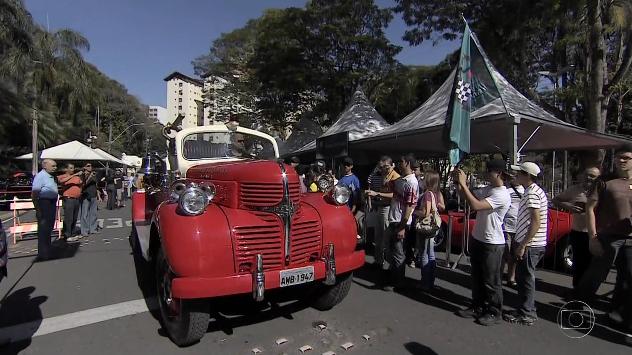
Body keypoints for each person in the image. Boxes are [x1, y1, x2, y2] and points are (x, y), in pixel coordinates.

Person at [578, 145, 632, 338]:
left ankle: (616, 315)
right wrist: (592, 238)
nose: (622, 161)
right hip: (607, 236)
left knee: (627, 280)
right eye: (619, 157)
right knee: (596, 275)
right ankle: (578, 308)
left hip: (629, 239)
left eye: (626, 157)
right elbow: (590, 209)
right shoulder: (605, 181)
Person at [454, 159, 511, 326]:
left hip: (493, 243)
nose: (487, 173)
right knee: (477, 276)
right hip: (478, 237)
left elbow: (477, 205)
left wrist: (464, 184)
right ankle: (477, 306)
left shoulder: (501, 193)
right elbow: (467, 197)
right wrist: (458, 183)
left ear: (499, 173)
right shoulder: (488, 189)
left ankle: (494, 311)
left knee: (491, 280)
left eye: (490, 171)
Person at [503, 162, 548, 326]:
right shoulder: (532, 191)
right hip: (531, 243)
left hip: (531, 245)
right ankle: (525, 310)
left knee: (526, 279)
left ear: (528, 175)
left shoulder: (532, 194)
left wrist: (523, 245)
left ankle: (527, 313)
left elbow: (536, 222)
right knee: (523, 278)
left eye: (520, 173)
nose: (516, 175)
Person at [368, 154, 418, 291]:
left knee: (398, 254)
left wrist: (402, 226)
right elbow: (393, 193)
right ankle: (392, 276)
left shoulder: (411, 182)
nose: (399, 164)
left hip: (400, 222)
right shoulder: (402, 179)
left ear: (407, 163)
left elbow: (410, 206)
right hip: (393, 219)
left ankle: (398, 282)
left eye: (401, 162)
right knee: (391, 250)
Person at [552, 166, 601, 289]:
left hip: (596, 234)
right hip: (578, 232)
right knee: (578, 263)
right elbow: (556, 200)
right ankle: (577, 290)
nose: (589, 178)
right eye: (587, 175)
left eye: (593, 176)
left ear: (599, 179)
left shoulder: (603, 191)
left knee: (594, 265)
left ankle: (589, 292)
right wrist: (569, 206)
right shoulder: (574, 190)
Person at [365, 156, 400, 270]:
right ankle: (379, 261)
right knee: (378, 237)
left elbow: (394, 195)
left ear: (389, 165)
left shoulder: (394, 177)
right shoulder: (384, 175)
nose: (381, 169)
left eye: (384, 167)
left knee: (387, 238)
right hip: (380, 207)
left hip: (388, 209)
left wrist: (377, 194)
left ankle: (390, 265)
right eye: (380, 167)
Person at [414, 170, 445, 290]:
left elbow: (425, 212)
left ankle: (425, 282)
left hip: (426, 226)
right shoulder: (435, 194)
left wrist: (414, 212)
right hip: (433, 226)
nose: (421, 180)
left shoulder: (427, 194)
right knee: (431, 254)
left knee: (425, 254)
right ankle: (430, 281)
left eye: (423, 178)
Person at [31, 159, 59, 261]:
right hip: (44, 203)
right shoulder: (40, 176)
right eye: (53, 166)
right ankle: (43, 253)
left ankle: (48, 250)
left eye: (56, 166)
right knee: (43, 229)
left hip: (51, 203)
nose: (55, 168)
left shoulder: (51, 176)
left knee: (49, 228)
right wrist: (38, 210)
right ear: (45, 166)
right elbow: (34, 194)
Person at [502, 177, 524, 287]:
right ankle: (499, 275)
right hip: (506, 227)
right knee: (505, 254)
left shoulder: (525, 191)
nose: (513, 178)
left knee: (515, 255)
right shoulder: (506, 191)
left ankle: (511, 277)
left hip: (519, 228)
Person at [58, 163, 83, 241]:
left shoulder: (76, 177)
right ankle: (67, 234)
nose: (73, 170)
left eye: (73, 168)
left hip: (76, 199)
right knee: (69, 217)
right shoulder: (62, 176)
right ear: (66, 169)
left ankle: (72, 233)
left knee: (74, 217)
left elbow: (81, 184)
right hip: (68, 199)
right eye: (71, 168)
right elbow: (62, 181)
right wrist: (74, 175)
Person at [80, 163, 99, 237]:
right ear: (84, 167)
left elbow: (96, 185)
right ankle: (84, 231)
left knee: (93, 213)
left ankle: (93, 229)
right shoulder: (82, 175)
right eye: (88, 166)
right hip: (85, 196)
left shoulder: (93, 175)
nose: (90, 167)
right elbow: (83, 185)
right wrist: (89, 177)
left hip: (93, 195)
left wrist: (98, 195)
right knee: (84, 214)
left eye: (91, 166)